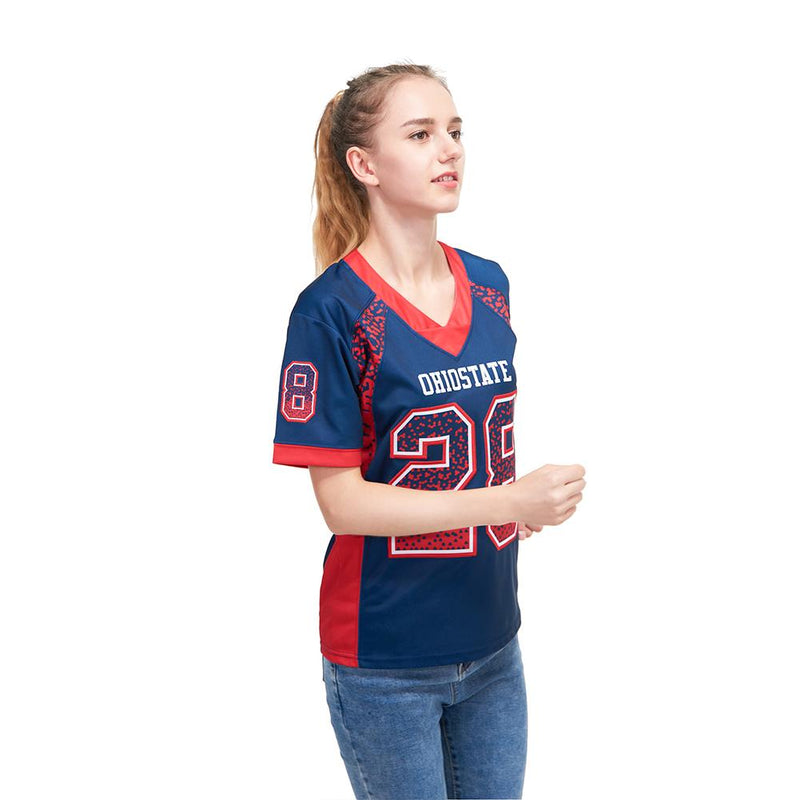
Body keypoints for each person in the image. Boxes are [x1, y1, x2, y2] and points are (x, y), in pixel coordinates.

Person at [271, 63, 586, 800]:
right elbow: (342, 503)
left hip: (493, 639)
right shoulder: (329, 311)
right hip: (387, 659)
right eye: (419, 134)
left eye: (454, 131)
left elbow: (462, 459)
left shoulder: (489, 283)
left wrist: (511, 505)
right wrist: (504, 502)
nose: (449, 150)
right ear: (364, 164)